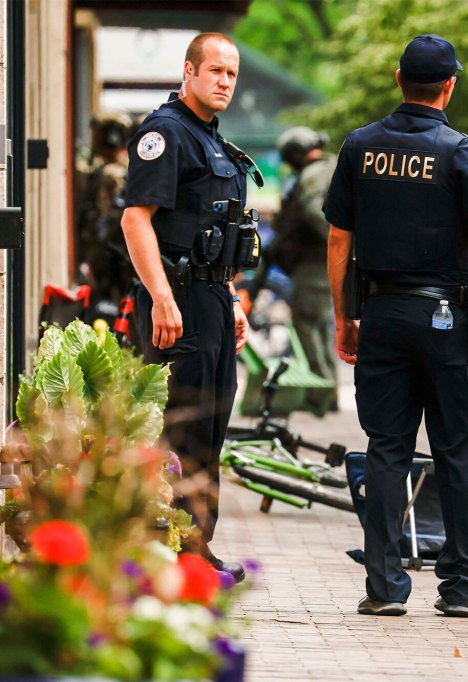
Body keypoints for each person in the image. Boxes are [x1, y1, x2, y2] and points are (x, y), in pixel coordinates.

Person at [323, 34, 468, 618]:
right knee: (458, 451)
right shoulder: (464, 151)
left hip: (382, 313)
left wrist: (345, 316)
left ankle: (383, 587)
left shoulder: (360, 147)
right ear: (450, 86)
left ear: (397, 78)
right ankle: (460, 586)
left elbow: (340, 239)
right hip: (446, 319)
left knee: (387, 448)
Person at [122, 32, 257, 583]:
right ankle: (164, 553)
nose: (225, 81)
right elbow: (137, 220)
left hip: (210, 300)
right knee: (178, 430)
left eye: (232, 73)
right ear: (189, 71)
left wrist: (229, 297)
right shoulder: (166, 134)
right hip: (175, 302)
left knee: (210, 428)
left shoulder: (211, 139)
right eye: (216, 71)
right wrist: (161, 296)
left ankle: (193, 549)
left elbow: (209, 231)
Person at [272, 126, 339, 412]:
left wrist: (339, 245)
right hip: (319, 262)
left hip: (313, 263)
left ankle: (320, 393)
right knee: (320, 326)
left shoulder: (314, 174)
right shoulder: (331, 167)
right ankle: (326, 392)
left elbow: (314, 213)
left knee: (309, 324)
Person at [77, 112, 133, 299]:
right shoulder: (122, 167)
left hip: (110, 261)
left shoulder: (112, 174)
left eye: (98, 134)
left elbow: (104, 223)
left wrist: (91, 262)